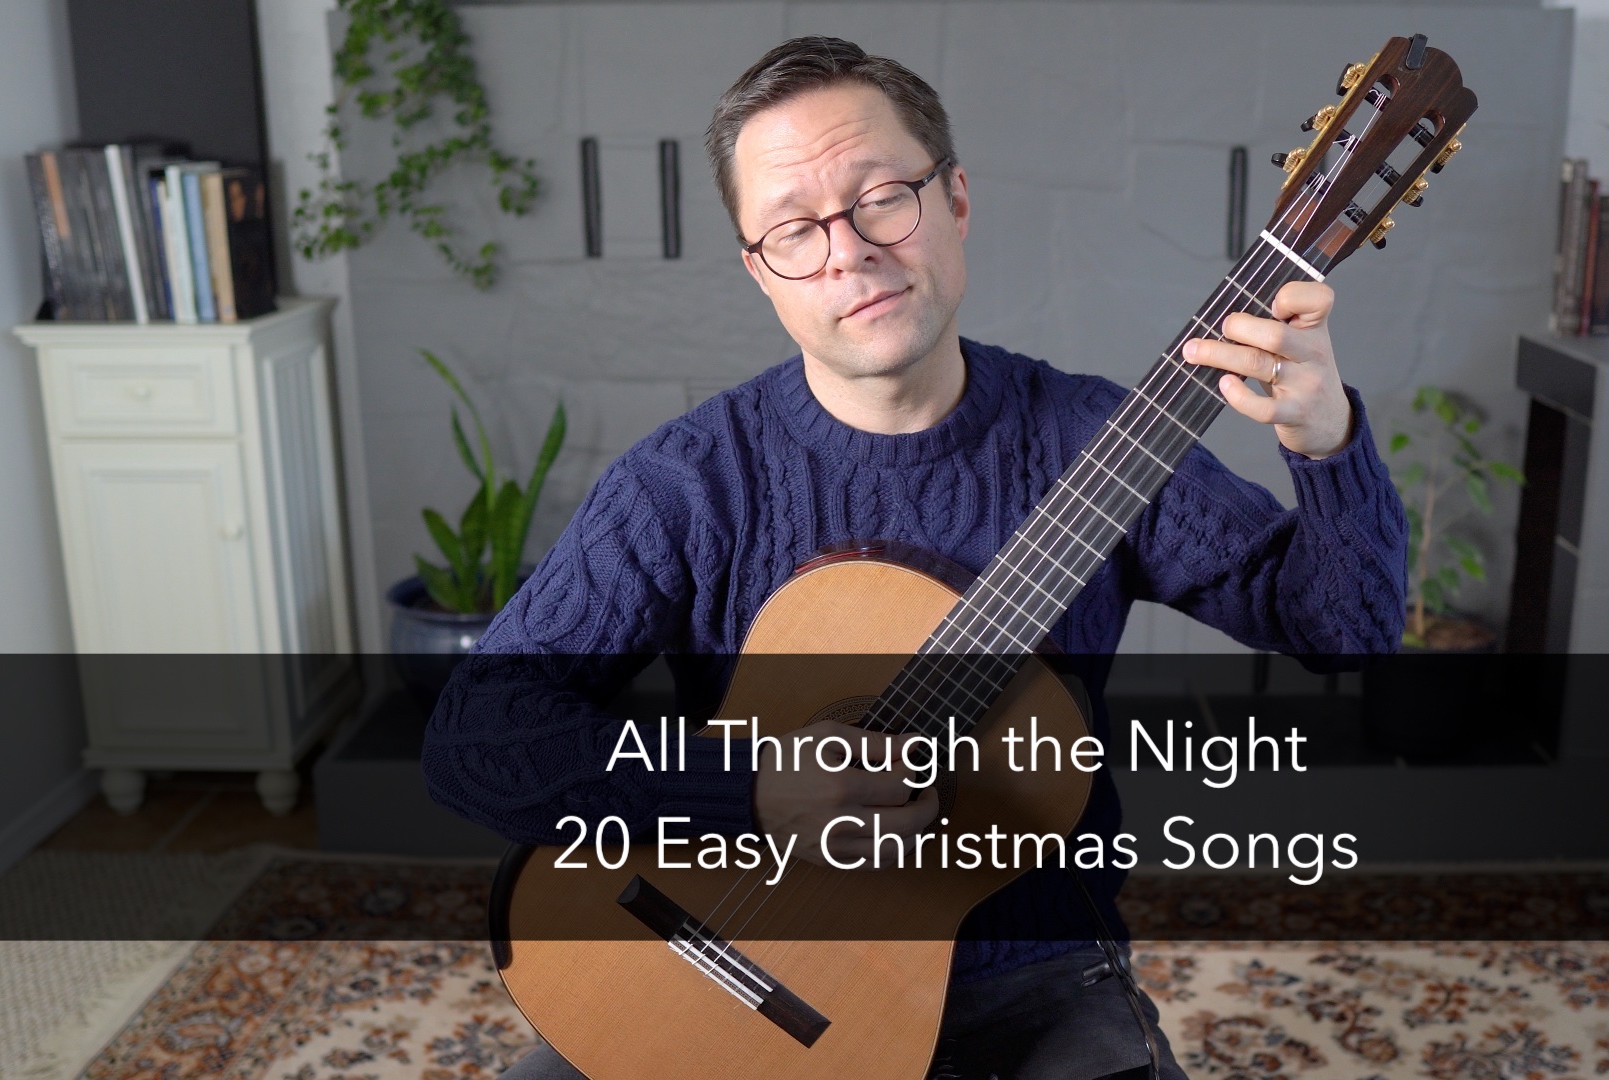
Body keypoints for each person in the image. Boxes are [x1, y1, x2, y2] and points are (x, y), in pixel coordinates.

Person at [424, 35, 1406, 1080]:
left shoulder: (1105, 443)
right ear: (760, 273)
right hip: (710, 952)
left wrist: (1326, 441)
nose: (848, 251)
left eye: (881, 196)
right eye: (794, 231)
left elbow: (1345, 631)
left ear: (956, 201)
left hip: (1034, 969)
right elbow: (477, 736)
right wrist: (754, 790)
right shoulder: (686, 484)